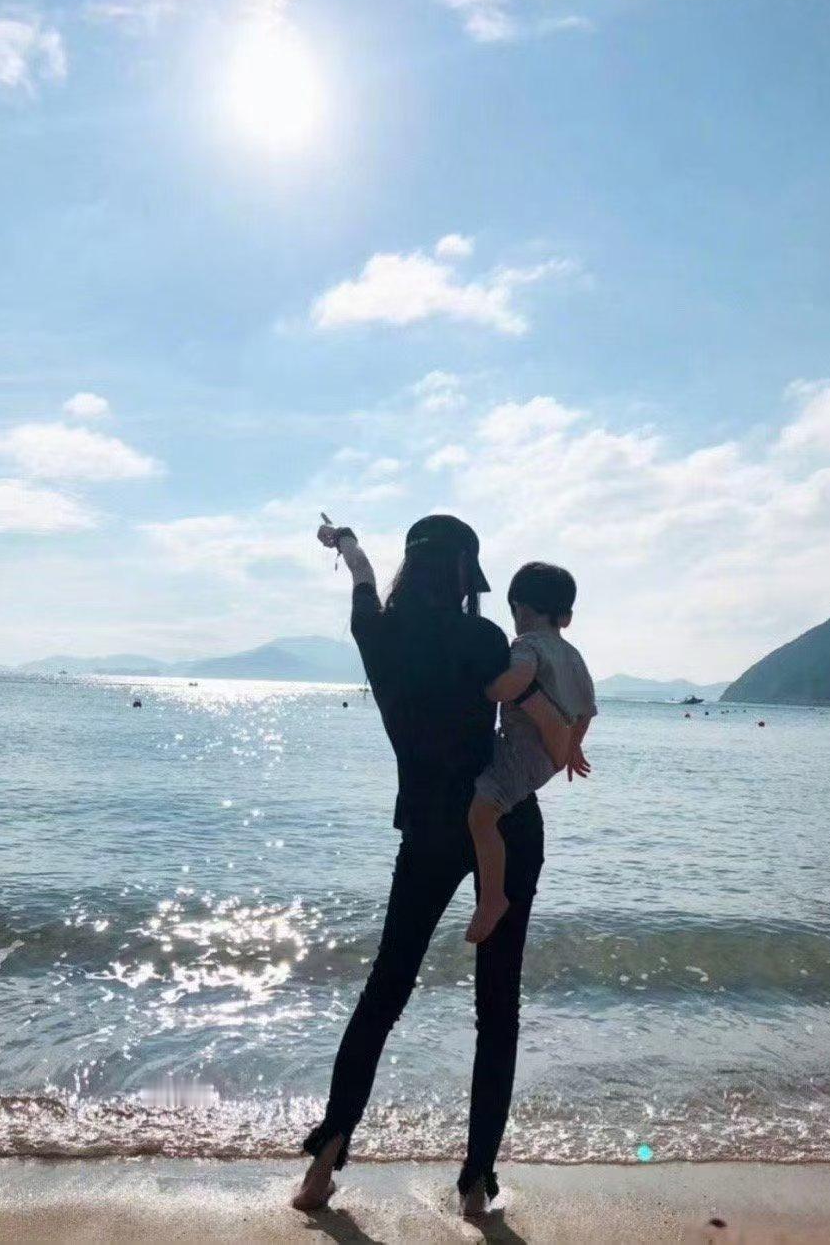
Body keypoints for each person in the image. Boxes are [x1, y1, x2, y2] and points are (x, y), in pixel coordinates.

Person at [293, 514, 570, 1218]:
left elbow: (361, 573)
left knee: (385, 991)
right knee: (497, 1009)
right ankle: (476, 1182)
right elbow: (530, 701)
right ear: (463, 575)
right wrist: (567, 734)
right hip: (504, 823)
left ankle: (325, 1160)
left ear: (410, 567)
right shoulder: (483, 639)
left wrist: (343, 541)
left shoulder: (374, 631)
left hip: (427, 830)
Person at [465, 563, 596, 944]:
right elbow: (586, 710)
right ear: (566, 617)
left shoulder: (527, 646)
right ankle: (493, 898)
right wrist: (573, 748)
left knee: (482, 816)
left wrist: (488, 690)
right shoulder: (573, 656)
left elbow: (516, 681)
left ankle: (492, 898)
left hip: (522, 755)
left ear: (518, 609)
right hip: (546, 758)